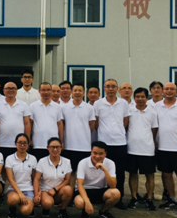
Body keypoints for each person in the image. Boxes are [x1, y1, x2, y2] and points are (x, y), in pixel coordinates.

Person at [154, 82, 177, 215]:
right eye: (166, 89)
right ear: (162, 91)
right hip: (162, 147)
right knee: (166, 174)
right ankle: (172, 199)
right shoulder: (157, 106)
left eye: (172, 89)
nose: (169, 91)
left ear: (176, 91)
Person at [94, 78, 129, 209]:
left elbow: (125, 121)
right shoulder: (98, 103)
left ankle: (118, 198)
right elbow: (96, 122)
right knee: (103, 171)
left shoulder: (123, 103)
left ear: (117, 89)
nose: (110, 89)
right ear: (104, 89)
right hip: (104, 143)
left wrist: (117, 131)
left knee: (119, 172)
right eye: (108, 86)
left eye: (113, 86)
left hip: (119, 143)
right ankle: (104, 196)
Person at [126, 88, 158, 211]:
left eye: (142, 97)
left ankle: (149, 198)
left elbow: (154, 130)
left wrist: (150, 141)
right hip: (131, 148)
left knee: (149, 175)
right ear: (134, 98)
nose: (140, 99)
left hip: (147, 149)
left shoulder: (152, 112)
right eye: (137, 97)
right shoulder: (129, 111)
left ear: (146, 98)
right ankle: (134, 197)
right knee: (133, 174)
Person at [74, 141, 121, 218]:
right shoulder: (83, 163)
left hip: (101, 190)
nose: (97, 156)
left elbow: (113, 185)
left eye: (101, 154)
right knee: (80, 203)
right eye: (95, 153)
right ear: (91, 152)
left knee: (116, 193)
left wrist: (105, 170)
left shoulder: (110, 163)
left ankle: (103, 211)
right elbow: (80, 185)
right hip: (85, 190)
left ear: (105, 154)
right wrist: (87, 202)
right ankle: (85, 210)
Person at [61, 83, 96, 190]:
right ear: (72, 92)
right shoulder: (64, 107)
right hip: (69, 146)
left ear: (84, 93)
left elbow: (92, 125)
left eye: (80, 90)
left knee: (83, 172)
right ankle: (70, 193)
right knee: (70, 172)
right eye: (75, 90)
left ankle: (82, 193)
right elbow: (62, 124)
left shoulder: (89, 108)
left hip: (84, 146)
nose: (77, 93)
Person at [33, 137, 73, 218]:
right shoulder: (42, 161)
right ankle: (46, 209)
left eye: (57, 147)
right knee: (47, 203)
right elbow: (36, 179)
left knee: (69, 189)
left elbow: (67, 180)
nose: (55, 149)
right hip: (46, 191)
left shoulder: (67, 162)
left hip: (59, 191)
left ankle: (63, 211)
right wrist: (37, 194)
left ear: (61, 147)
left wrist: (55, 189)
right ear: (48, 148)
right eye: (52, 147)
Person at [0, 81, 31, 158]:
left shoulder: (23, 105)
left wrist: (27, 140)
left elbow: (27, 123)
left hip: (20, 144)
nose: (10, 90)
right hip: (3, 143)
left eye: (13, 88)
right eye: (8, 88)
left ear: (16, 91)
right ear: (4, 91)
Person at [5, 133, 37, 218]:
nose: (22, 145)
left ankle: (27, 205)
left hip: (28, 189)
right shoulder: (9, 159)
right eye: (20, 143)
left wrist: (36, 193)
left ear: (28, 144)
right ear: (15, 143)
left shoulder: (33, 159)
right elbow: (10, 179)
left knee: (26, 211)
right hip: (14, 190)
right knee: (14, 199)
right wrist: (20, 194)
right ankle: (12, 208)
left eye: (25, 143)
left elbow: (35, 178)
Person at [29, 82, 64, 160]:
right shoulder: (32, 106)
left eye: (48, 90)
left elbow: (60, 124)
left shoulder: (57, 107)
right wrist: (29, 139)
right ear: (39, 91)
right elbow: (30, 123)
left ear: (51, 91)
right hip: (38, 143)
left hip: (54, 144)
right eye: (43, 90)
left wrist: (61, 141)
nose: (46, 92)